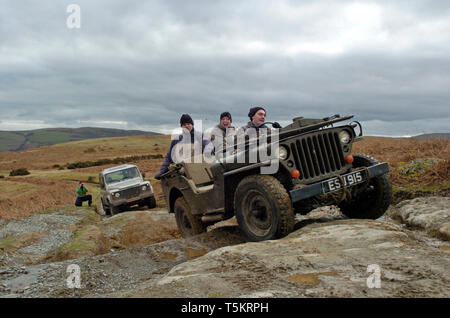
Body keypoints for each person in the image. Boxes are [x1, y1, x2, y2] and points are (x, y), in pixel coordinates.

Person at [155, 114, 213, 179]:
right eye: (184, 124)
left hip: (199, 167)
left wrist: (207, 152)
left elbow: (209, 144)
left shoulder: (200, 136)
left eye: (188, 124)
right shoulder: (177, 140)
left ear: (192, 124)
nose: (186, 126)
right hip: (184, 171)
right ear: (181, 126)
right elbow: (169, 157)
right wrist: (162, 171)